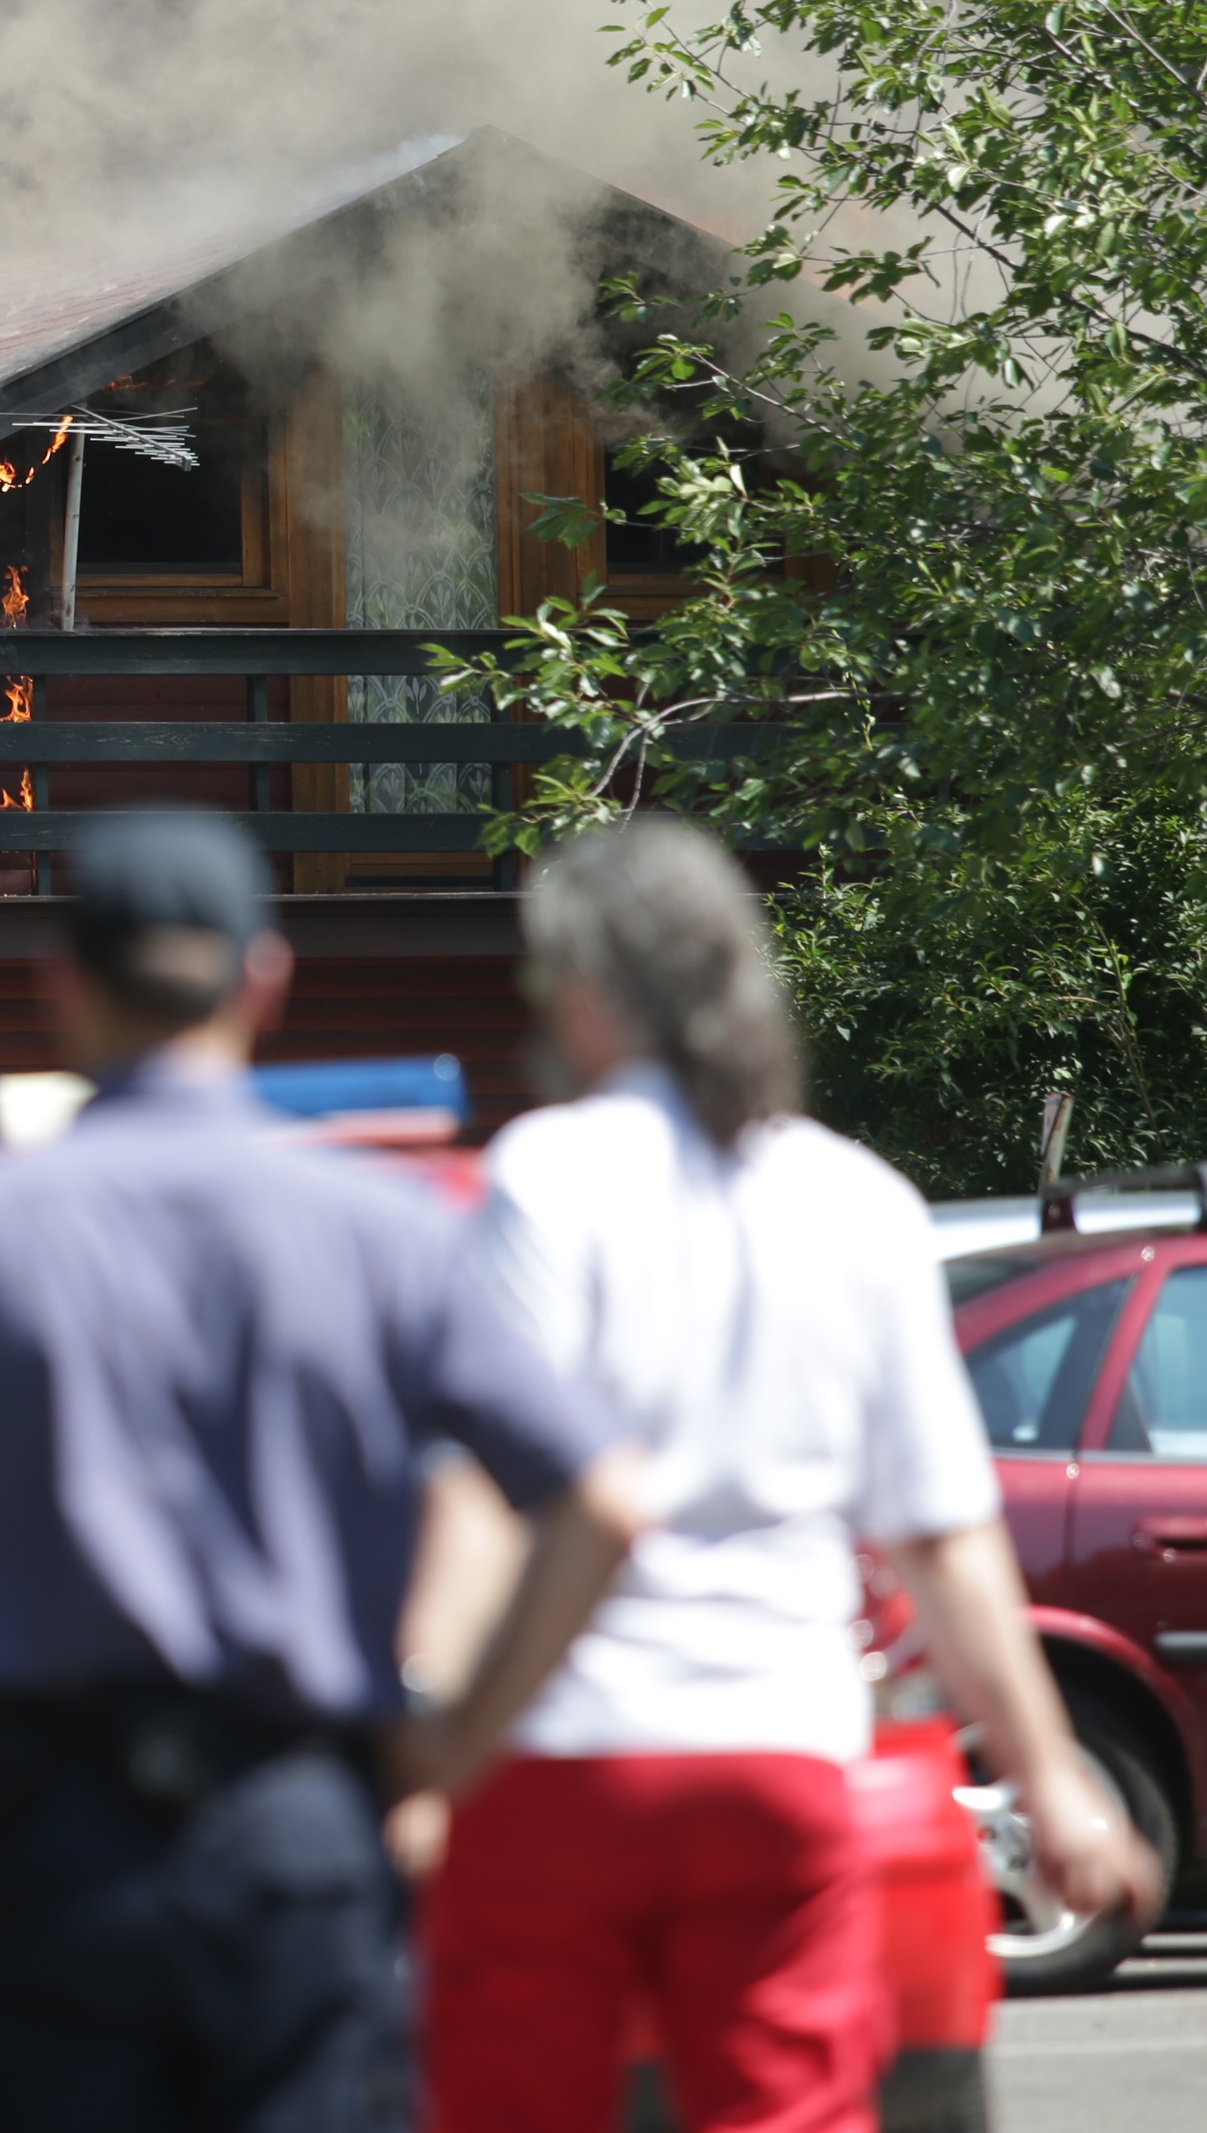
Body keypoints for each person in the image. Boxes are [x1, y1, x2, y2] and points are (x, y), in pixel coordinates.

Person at [0, 812, 654, 2133]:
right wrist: (452, 1748)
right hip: (298, 1837)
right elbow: (600, 1499)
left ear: (61, 977)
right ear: (266, 976)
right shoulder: (388, 1230)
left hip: (52, 1851)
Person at [413, 817, 1162, 2133]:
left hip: (567, 1756)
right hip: (779, 1750)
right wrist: (1051, 1777)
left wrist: (432, 1732)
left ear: (586, 987)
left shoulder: (549, 1174)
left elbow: (486, 1494)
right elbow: (947, 1535)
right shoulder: (858, 1201)